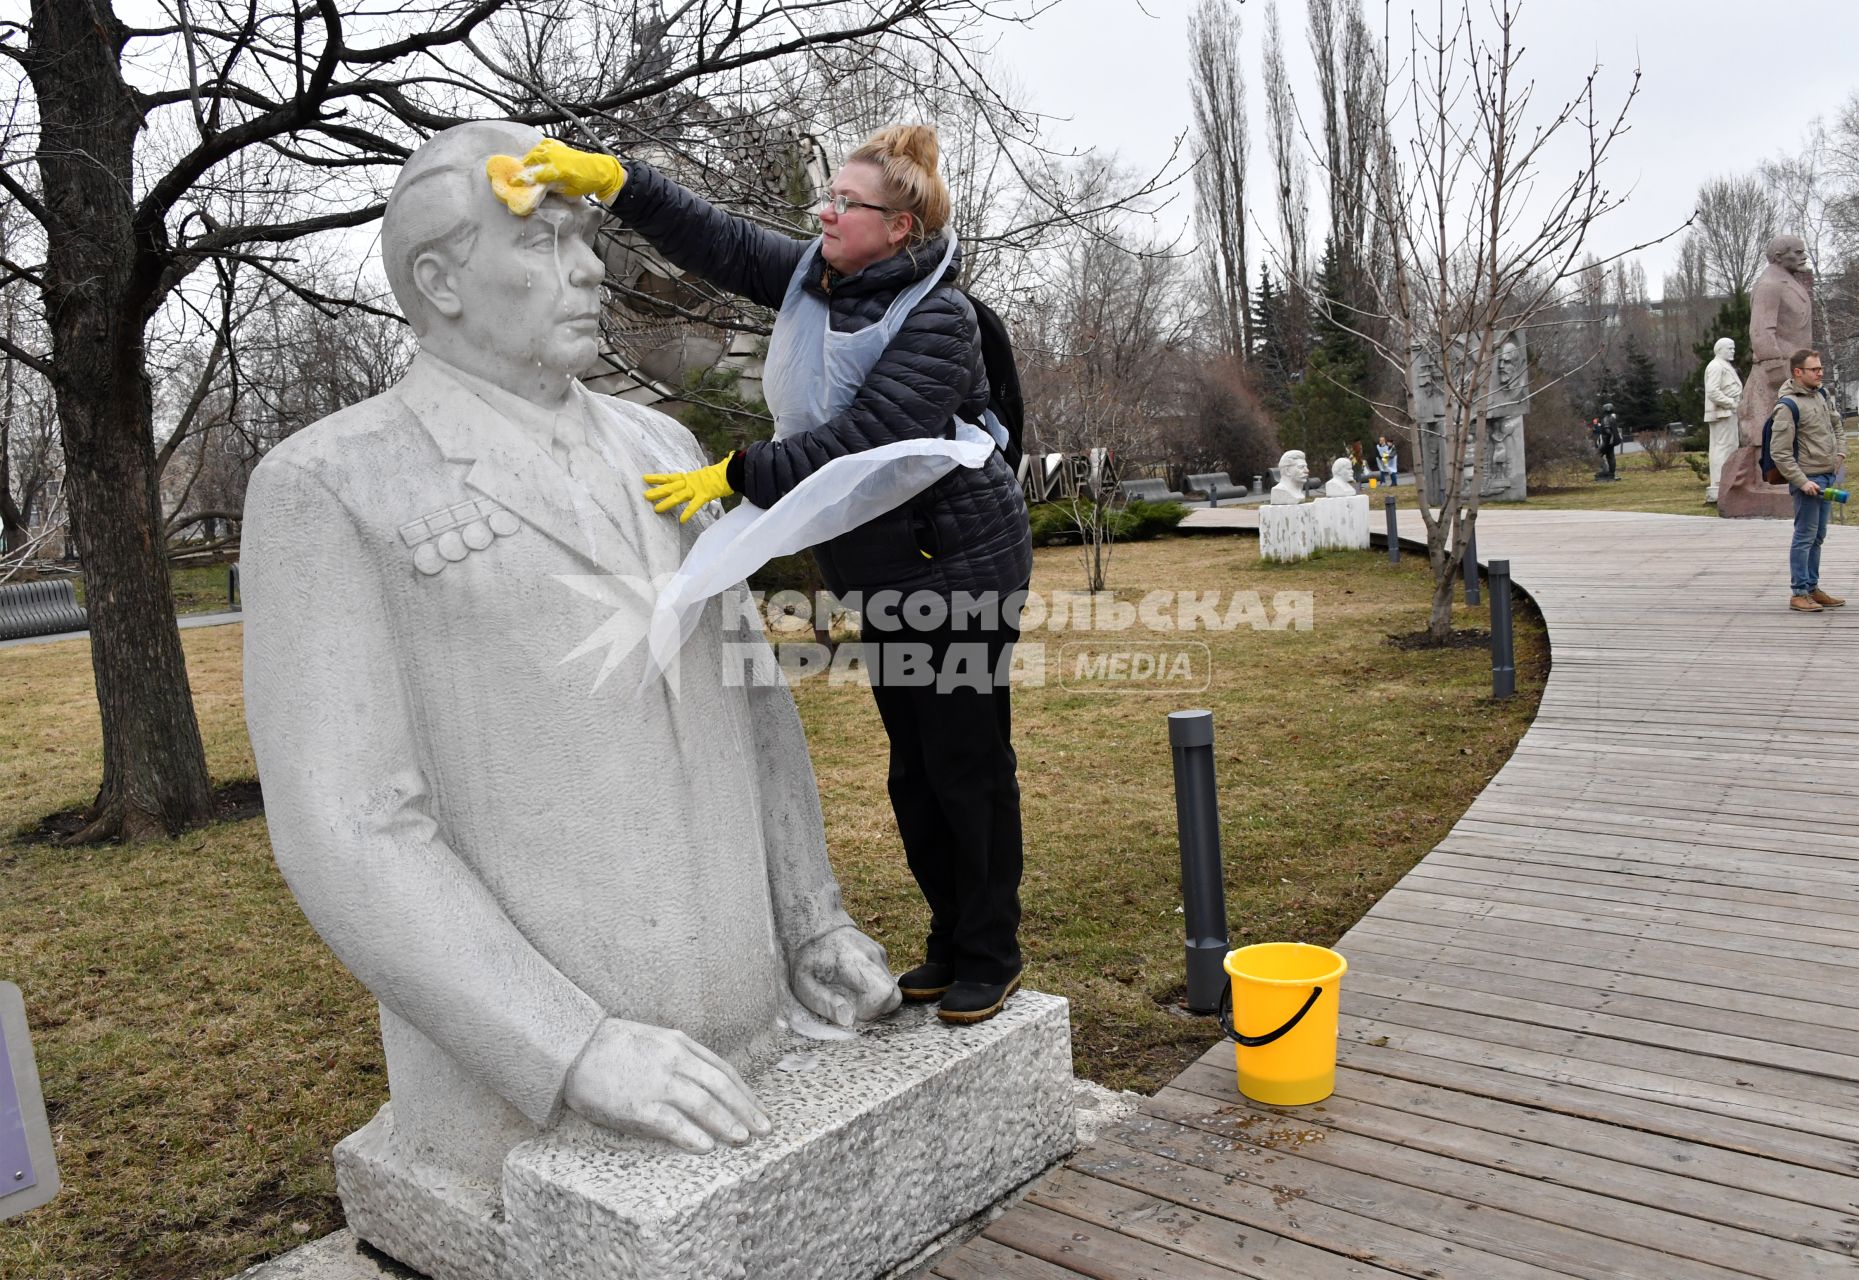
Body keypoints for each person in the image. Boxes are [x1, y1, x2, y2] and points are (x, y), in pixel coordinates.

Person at [241, 121, 902, 1184]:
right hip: (526, 1107)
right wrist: (567, 1045)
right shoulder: (331, 485)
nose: (591, 267)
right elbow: (351, 827)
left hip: (759, 1028)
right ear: (440, 282)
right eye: (544, 242)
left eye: (584, 237)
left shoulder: (664, 449)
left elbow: (752, 705)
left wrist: (810, 920)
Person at [504, 127, 1034, 1024]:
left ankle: (991, 949)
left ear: (900, 227)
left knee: (965, 762)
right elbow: (718, 239)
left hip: (959, 570)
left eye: (846, 203)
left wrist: (736, 473)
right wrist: (619, 180)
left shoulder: (937, 319)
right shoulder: (816, 281)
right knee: (915, 767)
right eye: (825, 198)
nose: (824, 212)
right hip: (887, 572)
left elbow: (867, 438)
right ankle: (951, 939)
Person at [1768, 348, 1847, 612]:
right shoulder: (1788, 406)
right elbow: (1779, 452)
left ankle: (1812, 587)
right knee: (1805, 536)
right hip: (1808, 480)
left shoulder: (1821, 395)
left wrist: (1841, 452)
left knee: (1818, 536)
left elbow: (1836, 424)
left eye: (1821, 368)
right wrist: (1802, 482)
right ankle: (1799, 592)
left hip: (1827, 474)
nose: (1820, 372)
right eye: (1814, 369)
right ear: (1798, 372)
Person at [1703, 337, 1744, 504]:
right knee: (1722, 446)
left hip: (1728, 412)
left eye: (1733, 348)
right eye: (1730, 348)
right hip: (1723, 412)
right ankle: (1720, 482)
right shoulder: (1715, 366)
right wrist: (1730, 402)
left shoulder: (1724, 365)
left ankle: (1725, 479)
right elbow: (1712, 391)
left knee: (1730, 446)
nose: (1733, 351)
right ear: (1720, 349)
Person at [1593, 404, 1619, 481]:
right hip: (1611, 442)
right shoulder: (1612, 418)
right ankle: (1611, 473)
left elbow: (1607, 430)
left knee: (1596, 455)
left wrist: (1610, 436)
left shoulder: (1606, 419)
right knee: (1611, 457)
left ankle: (1604, 471)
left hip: (1606, 442)